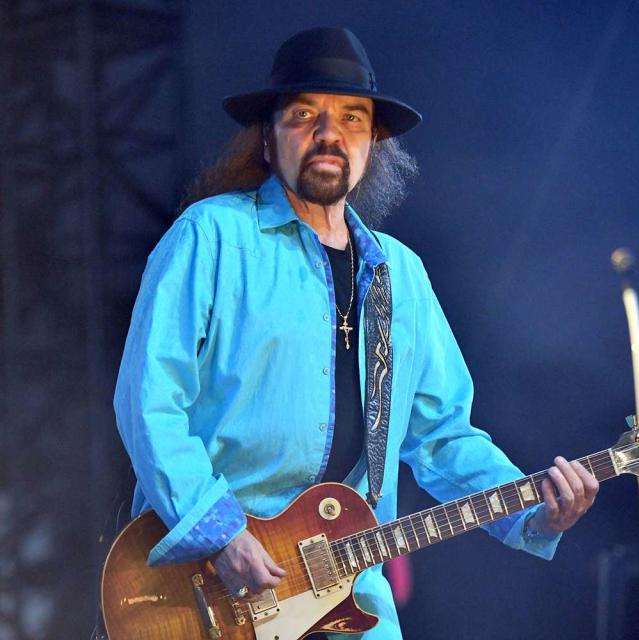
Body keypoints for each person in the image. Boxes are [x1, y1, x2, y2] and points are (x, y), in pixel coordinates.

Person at [113, 27, 598, 639]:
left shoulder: (401, 277)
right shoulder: (209, 238)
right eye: (303, 115)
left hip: (352, 600)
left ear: (373, 143)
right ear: (267, 137)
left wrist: (536, 511)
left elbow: (444, 437)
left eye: (351, 117)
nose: (328, 133)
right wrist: (221, 530)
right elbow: (149, 399)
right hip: (208, 584)